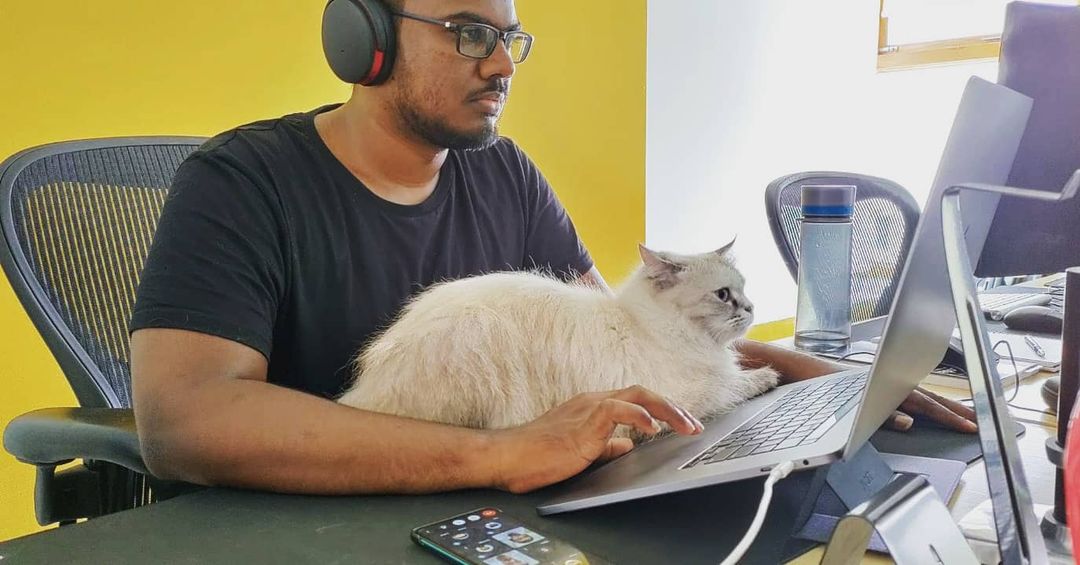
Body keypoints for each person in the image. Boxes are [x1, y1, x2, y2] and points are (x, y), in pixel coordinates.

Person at [129, 0, 977, 497]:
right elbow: (185, 421)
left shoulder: (503, 173)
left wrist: (813, 373)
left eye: (511, 38)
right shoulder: (241, 183)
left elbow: (629, 341)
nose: (503, 63)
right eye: (468, 33)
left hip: (496, 510)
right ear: (364, 40)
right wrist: (497, 451)